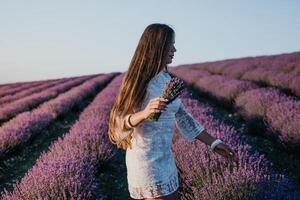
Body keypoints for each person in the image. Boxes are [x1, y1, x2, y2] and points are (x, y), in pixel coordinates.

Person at [108, 23, 237, 200]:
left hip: (166, 159)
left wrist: (214, 143)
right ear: (157, 46)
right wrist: (145, 113)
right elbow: (118, 121)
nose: (175, 49)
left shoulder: (166, 79)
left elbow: (183, 117)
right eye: (170, 45)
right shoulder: (138, 80)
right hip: (146, 161)